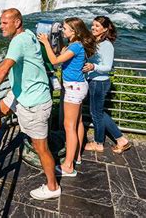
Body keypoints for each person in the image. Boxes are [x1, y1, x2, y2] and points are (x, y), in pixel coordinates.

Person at [0, 8, 60, 200]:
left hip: (34, 101)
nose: (0, 26)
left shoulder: (18, 41)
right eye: (0, 22)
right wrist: (5, 64)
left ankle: (53, 187)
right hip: (20, 92)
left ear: (17, 23)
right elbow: (21, 60)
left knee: (41, 148)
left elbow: (5, 69)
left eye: (4, 22)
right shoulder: (28, 34)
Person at [37, 17, 96, 177]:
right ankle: (76, 156)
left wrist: (46, 43)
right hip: (79, 86)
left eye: (65, 28)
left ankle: (68, 166)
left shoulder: (76, 46)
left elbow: (55, 60)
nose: (63, 30)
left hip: (73, 88)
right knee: (77, 123)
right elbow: (62, 52)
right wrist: (57, 38)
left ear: (74, 31)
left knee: (69, 126)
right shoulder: (75, 45)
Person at [82, 16, 131, 154]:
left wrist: (93, 66)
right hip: (94, 81)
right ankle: (121, 140)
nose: (93, 28)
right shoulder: (95, 42)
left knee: (96, 113)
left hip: (100, 82)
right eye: (93, 25)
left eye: (97, 26)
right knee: (98, 112)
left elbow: (108, 67)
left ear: (105, 29)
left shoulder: (107, 45)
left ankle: (99, 143)